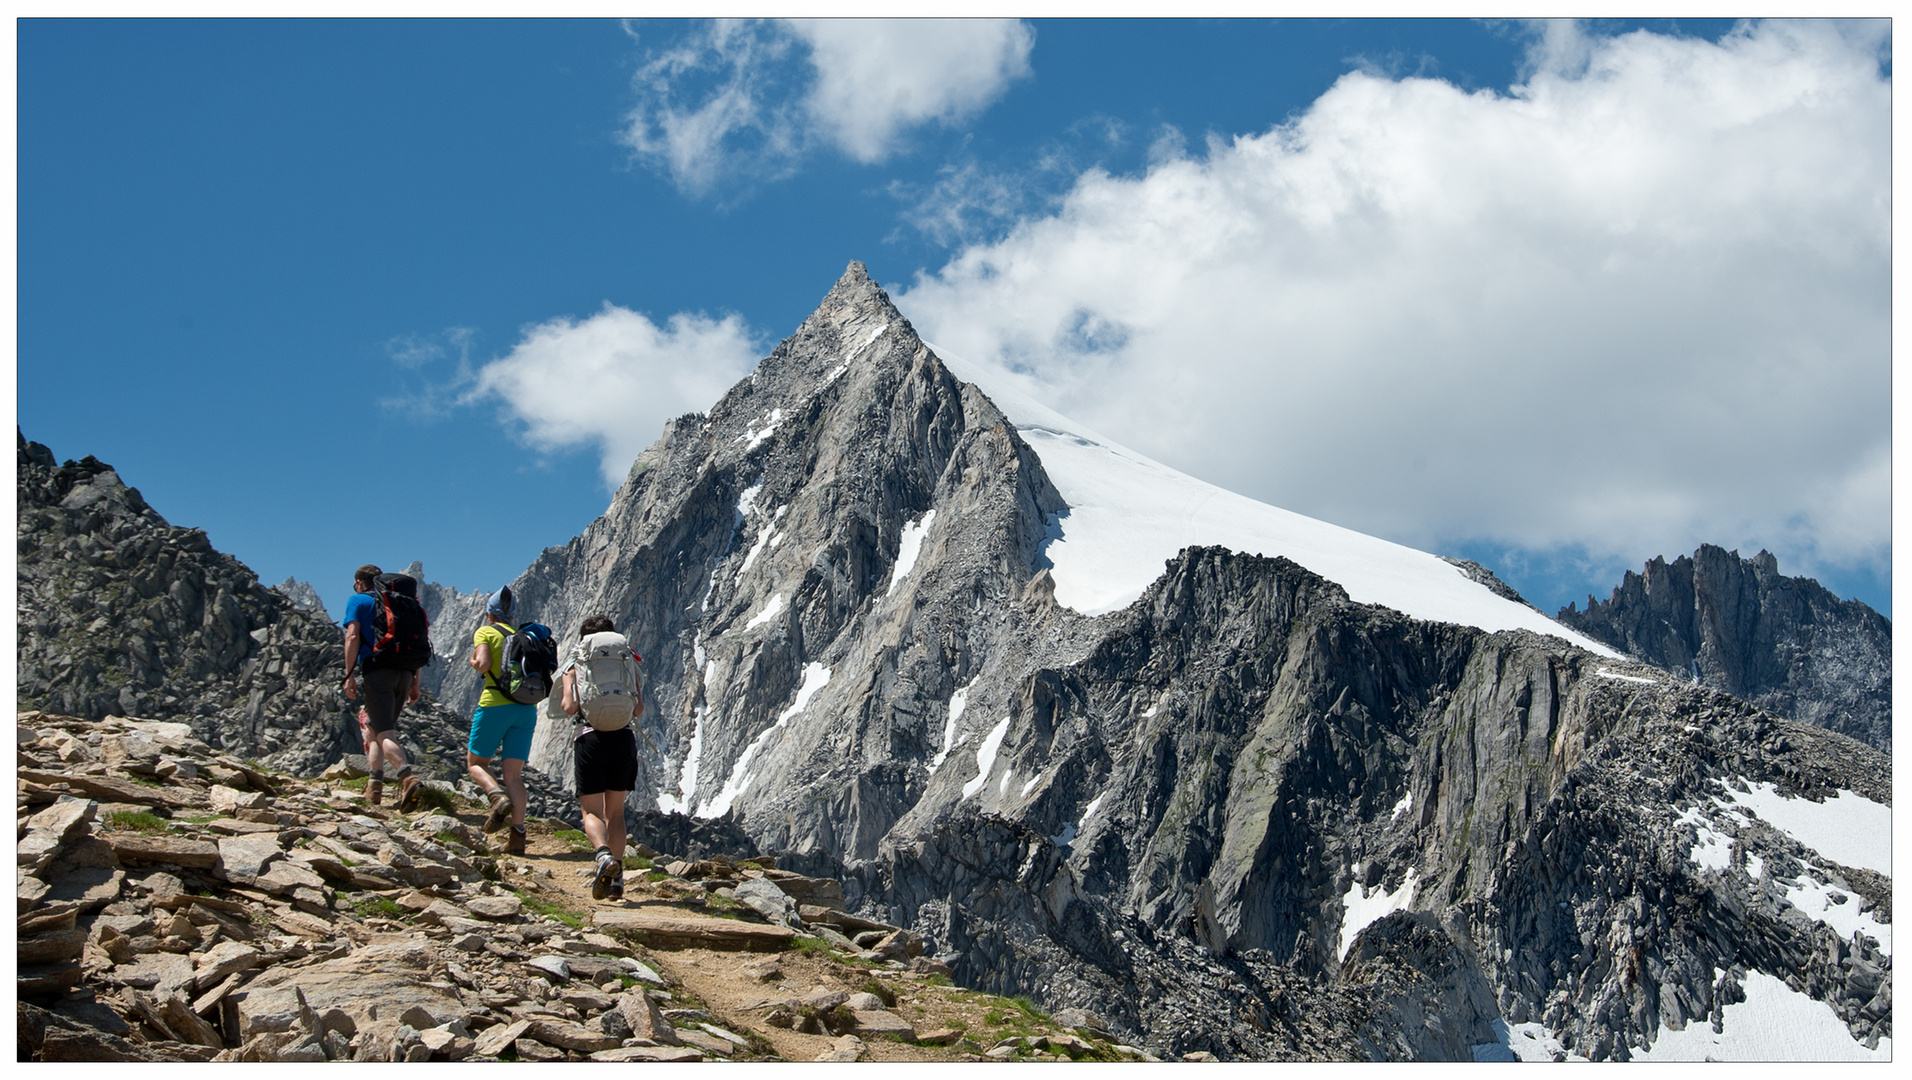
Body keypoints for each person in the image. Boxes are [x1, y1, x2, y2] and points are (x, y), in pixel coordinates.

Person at [559, 614, 643, 901]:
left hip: (590, 737)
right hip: (623, 737)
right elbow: (638, 709)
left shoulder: (576, 660)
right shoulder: (626, 657)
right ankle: (617, 880)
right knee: (616, 812)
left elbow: (569, 707)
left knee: (592, 811)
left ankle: (603, 856)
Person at [340, 564, 422, 808]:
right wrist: (415, 681)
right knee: (374, 729)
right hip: (406, 672)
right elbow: (418, 643)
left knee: (385, 732)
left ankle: (407, 777)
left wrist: (349, 675)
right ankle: (374, 787)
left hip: (377, 670)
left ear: (359, 582)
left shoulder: (359, 601)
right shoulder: (404, 604)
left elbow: (352, 637)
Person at [467, 585, 537, 855]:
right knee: (514, 776)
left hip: (495, 703)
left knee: (476, 763)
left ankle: (496, 798)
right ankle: (518, 836)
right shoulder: (522, 635)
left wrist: (474, 662)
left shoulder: (485, 631)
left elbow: (483, 664)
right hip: (525, 708)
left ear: (489, 614)